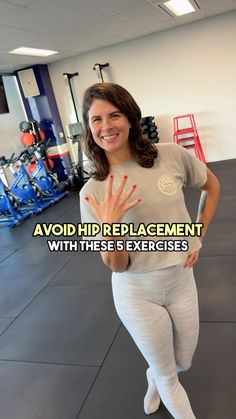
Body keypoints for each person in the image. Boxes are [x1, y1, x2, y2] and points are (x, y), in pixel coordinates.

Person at [79, 82, 220, 419]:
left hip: (181, 278)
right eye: (96, 119)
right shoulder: (93, 192)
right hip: (136, 292)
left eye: (113, 115)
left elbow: (211, 186)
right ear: (88, 128)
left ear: (129, 117)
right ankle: (159, 376)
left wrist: (195, 234)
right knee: (170, 374)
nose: (106, 126)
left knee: (183, 360)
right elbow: (117, 266)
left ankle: (153, 375)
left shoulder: (170, 155)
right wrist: (111, 230)